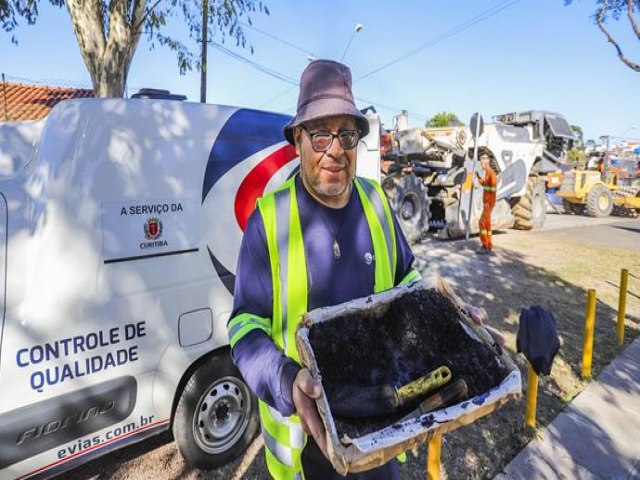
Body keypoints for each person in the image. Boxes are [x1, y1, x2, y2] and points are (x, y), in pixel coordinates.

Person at [227, 59, 421, 480]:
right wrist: (285, 379)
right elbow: (244, 327)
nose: (335, 149)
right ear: (298, 139)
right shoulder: (268, 220)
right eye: (320, 134)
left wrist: (449, 322)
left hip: (382, 436)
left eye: (347, 135)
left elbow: (410, 283)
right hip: (306, 453)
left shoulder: (377, 204)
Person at [476, 153, 497, 255]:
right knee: (487, 224)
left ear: (486, 161)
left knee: (482, 223)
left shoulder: (491, 174)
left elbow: (492, 191)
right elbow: (486, 185)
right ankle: (489, 245)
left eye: (482, 161)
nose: (481, 163)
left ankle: (485, 245)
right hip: (488, 203)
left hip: (488, 203)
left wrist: (487, 203)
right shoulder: (488, 173)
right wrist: (479, 179)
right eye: (480, 161)